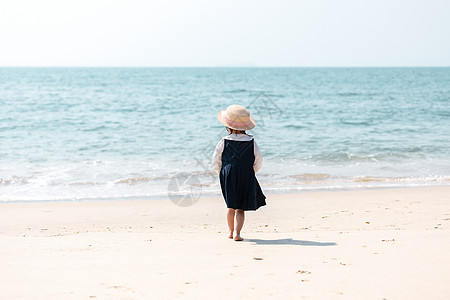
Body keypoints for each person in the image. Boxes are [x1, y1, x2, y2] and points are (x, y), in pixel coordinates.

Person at [212, 104, 266, 241]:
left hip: (228, 174)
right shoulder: (251, 141)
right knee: (241, 208)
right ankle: (237, 234)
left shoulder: (224, 141)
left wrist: (221, 173)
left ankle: (230, 232)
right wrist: (250, 172)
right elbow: (258, 160)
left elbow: (216, 160)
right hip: (246, 174)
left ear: (228, 126)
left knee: (231, 206)